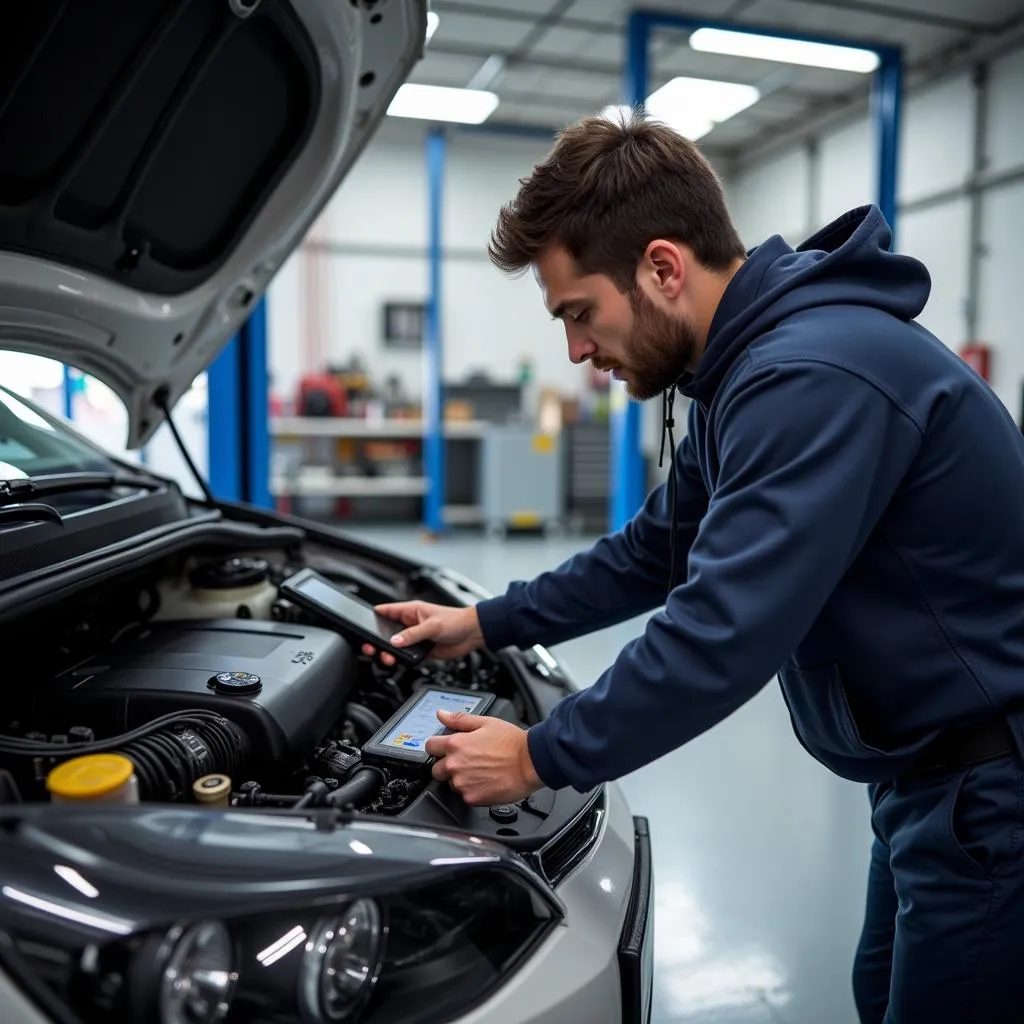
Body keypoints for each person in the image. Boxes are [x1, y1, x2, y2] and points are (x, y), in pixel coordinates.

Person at [362, 110, 1024, 1023]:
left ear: (662, 268)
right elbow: (654, 554)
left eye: (578, 313)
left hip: (991, 787)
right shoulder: (742, 376)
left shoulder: (809, 376)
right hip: (922, 778)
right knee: (882, 996)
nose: (577, 351)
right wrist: (487, 621)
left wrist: (540, 755)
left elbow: (724, 630)